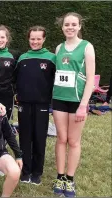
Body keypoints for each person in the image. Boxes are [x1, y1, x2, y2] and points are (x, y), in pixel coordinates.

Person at [52, 12, 95, 197]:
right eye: (66, 24)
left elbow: (91, 79)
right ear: (62, 27)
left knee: (73, 141)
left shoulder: (86, 47)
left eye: (73, 24)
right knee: (61, 139)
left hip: (77, 101)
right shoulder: (59, 47)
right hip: (59, 98)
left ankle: (70, 179)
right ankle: (60, 176)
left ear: (79, 26)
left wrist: (83, 105)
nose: (70, 27)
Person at [15, 26, 56, 185]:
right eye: (32, 38)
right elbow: (16, 79)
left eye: (39, 38)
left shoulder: (51, 58)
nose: (35, 41)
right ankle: (25, 171)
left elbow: (55, 81)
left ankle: (37, 172)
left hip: (42, 105)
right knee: (25, 138)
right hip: (24, 104)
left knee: (39, 138)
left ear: (44, 39)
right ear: (28, 39)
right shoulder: (22, 58)